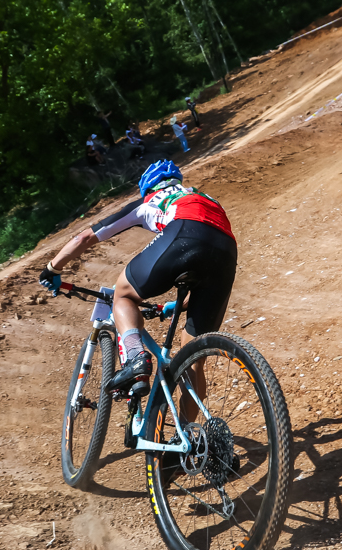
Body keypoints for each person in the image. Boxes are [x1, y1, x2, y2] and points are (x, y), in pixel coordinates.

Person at [38, 160, 238, 403]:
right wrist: (180, 304)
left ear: (147, 188)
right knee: (192, 359)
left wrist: (52, 268)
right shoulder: (205, 198)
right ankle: (194, 438)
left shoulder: (148, 201)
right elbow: (206, 255)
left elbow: (85, 237)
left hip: (184, 232)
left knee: (122, 294)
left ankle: (135, 358)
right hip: (226, 249)